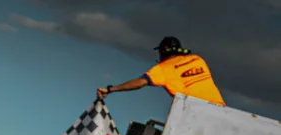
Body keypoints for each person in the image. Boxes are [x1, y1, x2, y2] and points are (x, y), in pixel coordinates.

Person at [97, 36, 226, 106]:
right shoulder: (197, 59)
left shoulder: (163, 68)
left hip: (193, 112)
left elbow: (140, 83)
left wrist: (110, 89)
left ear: (162, 52)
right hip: (220, 109)